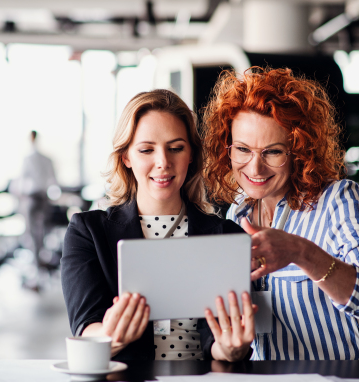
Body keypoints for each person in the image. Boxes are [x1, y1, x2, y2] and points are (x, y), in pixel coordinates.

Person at [202, 67, 359, 360]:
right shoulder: (236, 214)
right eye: (242, 149)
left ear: (299, 151)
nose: (254, 168)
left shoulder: (336, 200)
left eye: (272, 152)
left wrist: (301, 253)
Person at [61, 90, 256, 362]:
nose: (163, 162)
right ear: (126, 157)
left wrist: (229, 349)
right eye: (146, 150)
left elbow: (219, 338)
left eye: (176, 148)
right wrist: (110, 335)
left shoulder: (227, 236)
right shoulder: (88, 233)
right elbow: (85, 326)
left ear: (191, 155)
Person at [20, 130, 58, 286]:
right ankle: (39, 261)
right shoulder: (46, 159)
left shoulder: (28, 159)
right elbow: (53, 180)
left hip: (32, 198)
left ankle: (37, 262)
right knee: (41, 230)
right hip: (43, 197)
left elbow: (23, 180)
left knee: (32, 230)